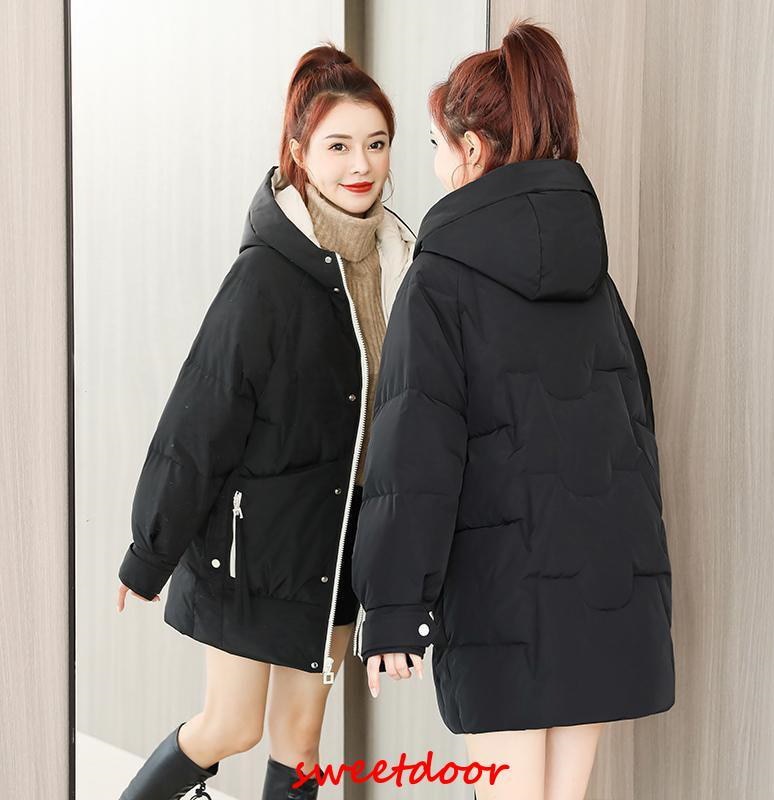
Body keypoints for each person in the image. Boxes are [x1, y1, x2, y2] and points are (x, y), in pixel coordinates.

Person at [350, 19, 676, 800]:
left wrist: (393, 606)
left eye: (437, 144)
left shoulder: (439, 278)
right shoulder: (593, 278)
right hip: (606, 585)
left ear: (471, 150)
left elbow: (415, 452)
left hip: (501, 597)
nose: (435, 165)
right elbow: (635, 435)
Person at [115, 43, 415, 800]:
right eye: (338, 146)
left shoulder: (400, 265)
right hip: (251, 552)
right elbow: (201, 415)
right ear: (299, 154)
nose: (361, 165)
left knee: (301, 744)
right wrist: (150, 550)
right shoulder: (267, 276)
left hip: (337, 544)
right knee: (231, 727)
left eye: (376, 143)